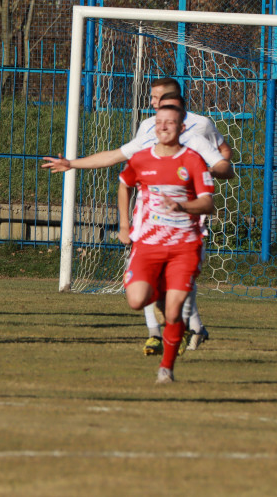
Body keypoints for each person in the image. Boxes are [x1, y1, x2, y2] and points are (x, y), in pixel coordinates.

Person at [44, 104, 214, 384]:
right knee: (136, 300)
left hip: (184, 245)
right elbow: (124, 183)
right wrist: (124, 225)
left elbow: (208, 202)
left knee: (172, 311)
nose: (163, 127)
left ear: (182, 128)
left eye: (170, 122)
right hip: (147, 244)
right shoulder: (142, 158)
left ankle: (166, 369)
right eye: (159, 121)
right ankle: (162, 296)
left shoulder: (193, 160)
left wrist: (183, 206)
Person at [124, 82, 234, 356]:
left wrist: (210, 174)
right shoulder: (149, 127)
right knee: (148, 281)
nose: (155, 104)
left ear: (179, 106)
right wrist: (73, 163)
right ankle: (158, 333)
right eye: (153, 99)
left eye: (160, 99)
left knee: (180, 280)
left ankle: (187, 327)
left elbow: (224, 155)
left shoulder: (199, 129)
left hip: (188, 217)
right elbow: (124, 164)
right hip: (150, 220)